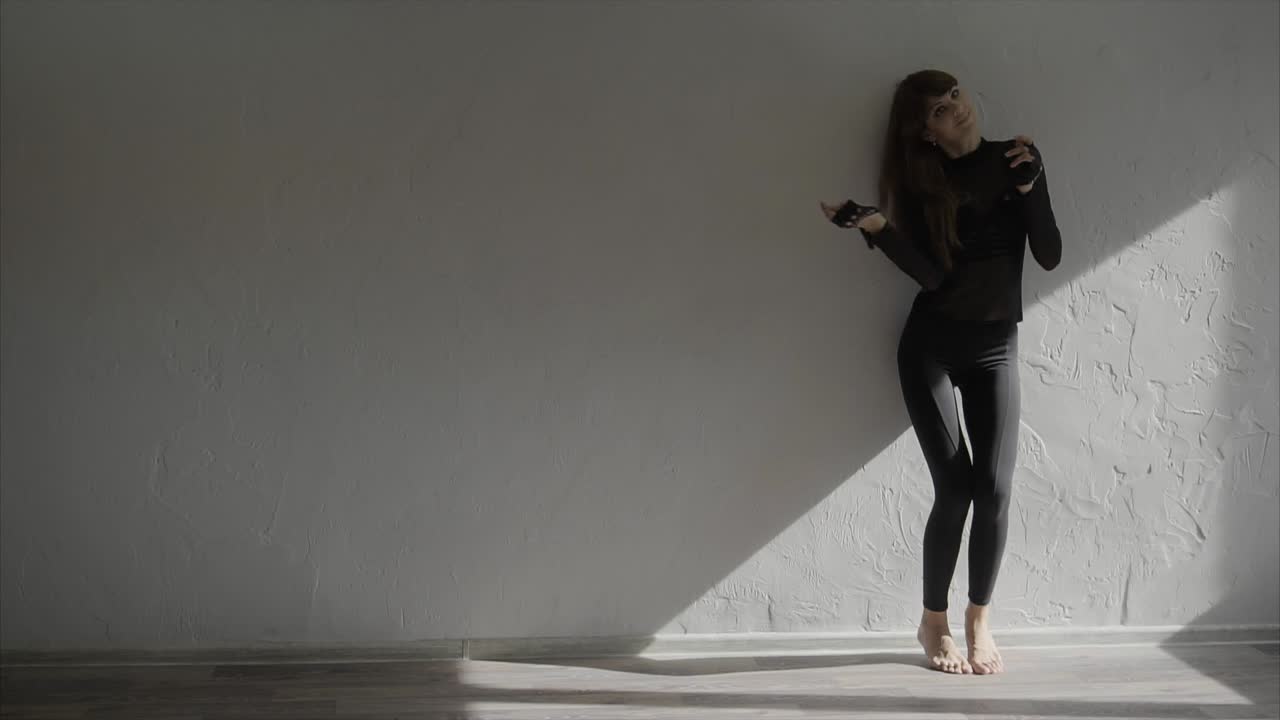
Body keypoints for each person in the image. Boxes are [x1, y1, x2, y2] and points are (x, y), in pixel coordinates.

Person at [820, 69, 1062, 675]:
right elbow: (933, 278)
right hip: (930, 346)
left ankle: (979, 618)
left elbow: (1050, 253)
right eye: (936, 109)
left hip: (995, 348)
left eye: (953, 94)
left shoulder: (1017, 160)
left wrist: (1033, 189)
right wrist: (878, 228)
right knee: (955, 488)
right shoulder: (928, 185)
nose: (954, 109)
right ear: (923, 133)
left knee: (997, 490)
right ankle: (933, 621)